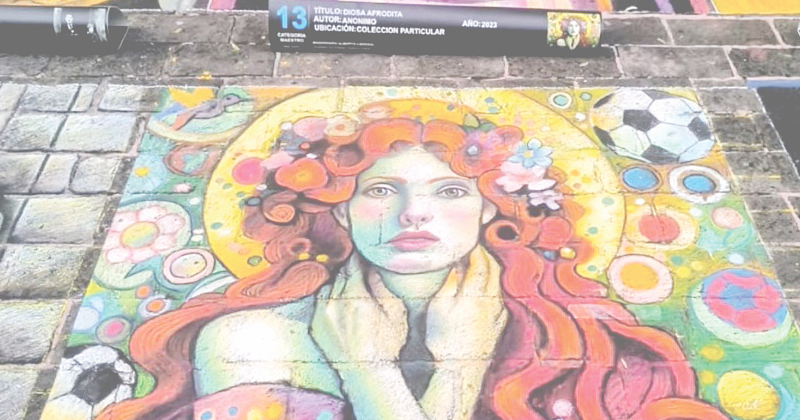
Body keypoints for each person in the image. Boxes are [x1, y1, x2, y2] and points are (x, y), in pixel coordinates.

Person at [97, 100, 730, 420]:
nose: (413, 215)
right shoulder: (256, 340)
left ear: (492, 210)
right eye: (380, 190)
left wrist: (458, 367)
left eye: (450, 192)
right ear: (341, 212)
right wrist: (370, 370)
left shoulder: (585, 346)